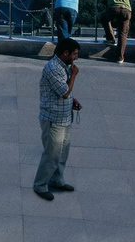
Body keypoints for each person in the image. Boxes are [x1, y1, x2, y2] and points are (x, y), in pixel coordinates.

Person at [33, 37, 82, 201]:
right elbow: (64, 91)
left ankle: (57, 180)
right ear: (65, 53)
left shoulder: (64, 66)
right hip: (53, 119)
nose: (76, 58)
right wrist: (74, 76)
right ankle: (40, 185)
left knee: (62, 153)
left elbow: (65, 90)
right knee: (52, 155)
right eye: (74, 54)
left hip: (65, 117)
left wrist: (72, 100)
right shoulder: (53, 68)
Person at [100, 0, 133, 64]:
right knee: (123, 34)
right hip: (126, 10)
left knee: (104, 18)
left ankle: (110, 39)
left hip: (113, 8)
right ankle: (120, 58)